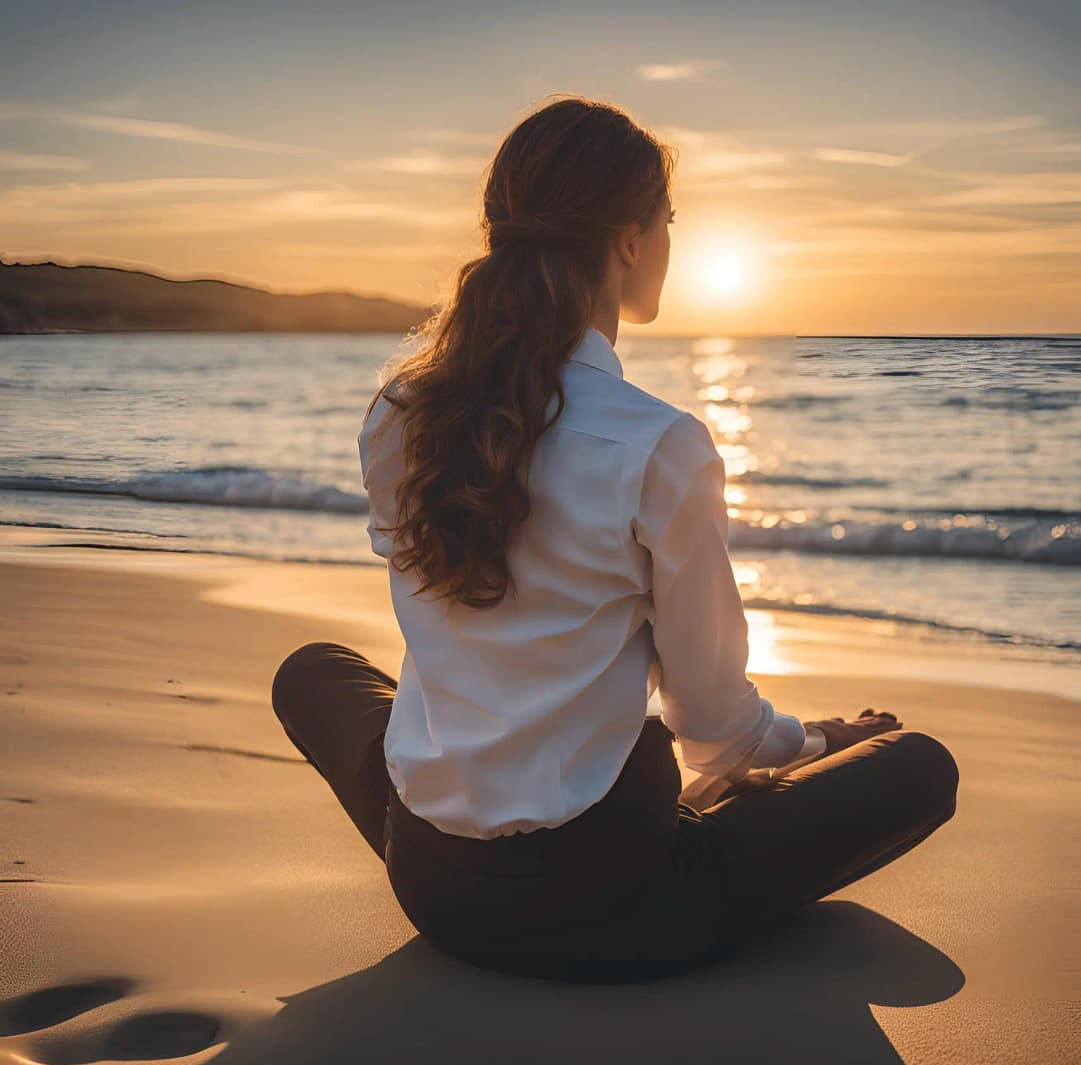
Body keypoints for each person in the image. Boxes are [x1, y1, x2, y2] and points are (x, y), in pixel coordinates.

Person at [271, 94, 959, 984]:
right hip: (614, 909)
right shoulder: (656, 442)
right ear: (629, 241)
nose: (670, 242)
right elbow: (713, 731)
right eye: (667, 222)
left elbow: (474, 636)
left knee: (312, 671)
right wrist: (814, 743)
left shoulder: (400, 413)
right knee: (919, 769)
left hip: (431, 878)